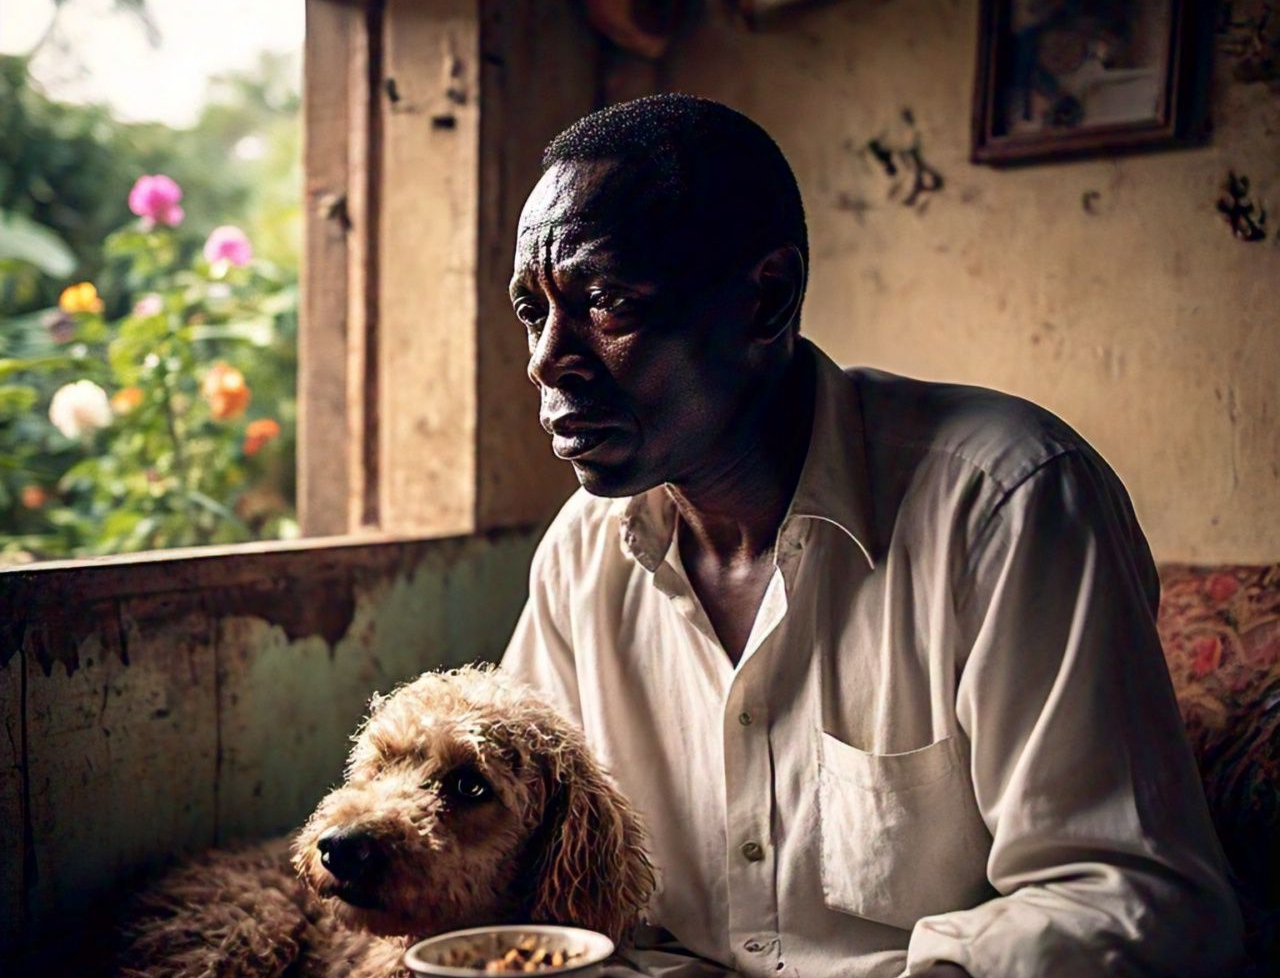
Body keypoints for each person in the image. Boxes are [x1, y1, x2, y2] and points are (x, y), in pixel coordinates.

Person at [500, 93, 1243, 978]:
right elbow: (510, 835)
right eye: (531, 312)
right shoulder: (584, 552)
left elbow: (1132, 905)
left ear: (765, 297)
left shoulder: (1008, 503)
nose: (548, 358)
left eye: (606, 301)